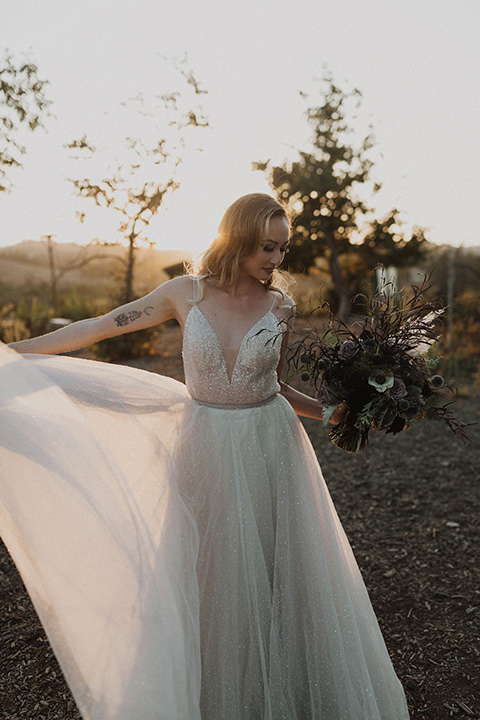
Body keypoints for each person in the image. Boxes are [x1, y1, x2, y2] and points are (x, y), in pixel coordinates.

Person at [0, 193, 410, 720]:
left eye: (282, 249)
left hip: (269, 445)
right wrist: (13, 355)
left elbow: (278, 385)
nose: (276, 261)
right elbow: (101, 326)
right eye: (267, 247)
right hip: (205, 444)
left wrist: (329, 411)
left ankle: (281, 681)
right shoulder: (184, 293)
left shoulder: (280, 306)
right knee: (204, 567)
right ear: (237, 237)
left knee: (271, 565)